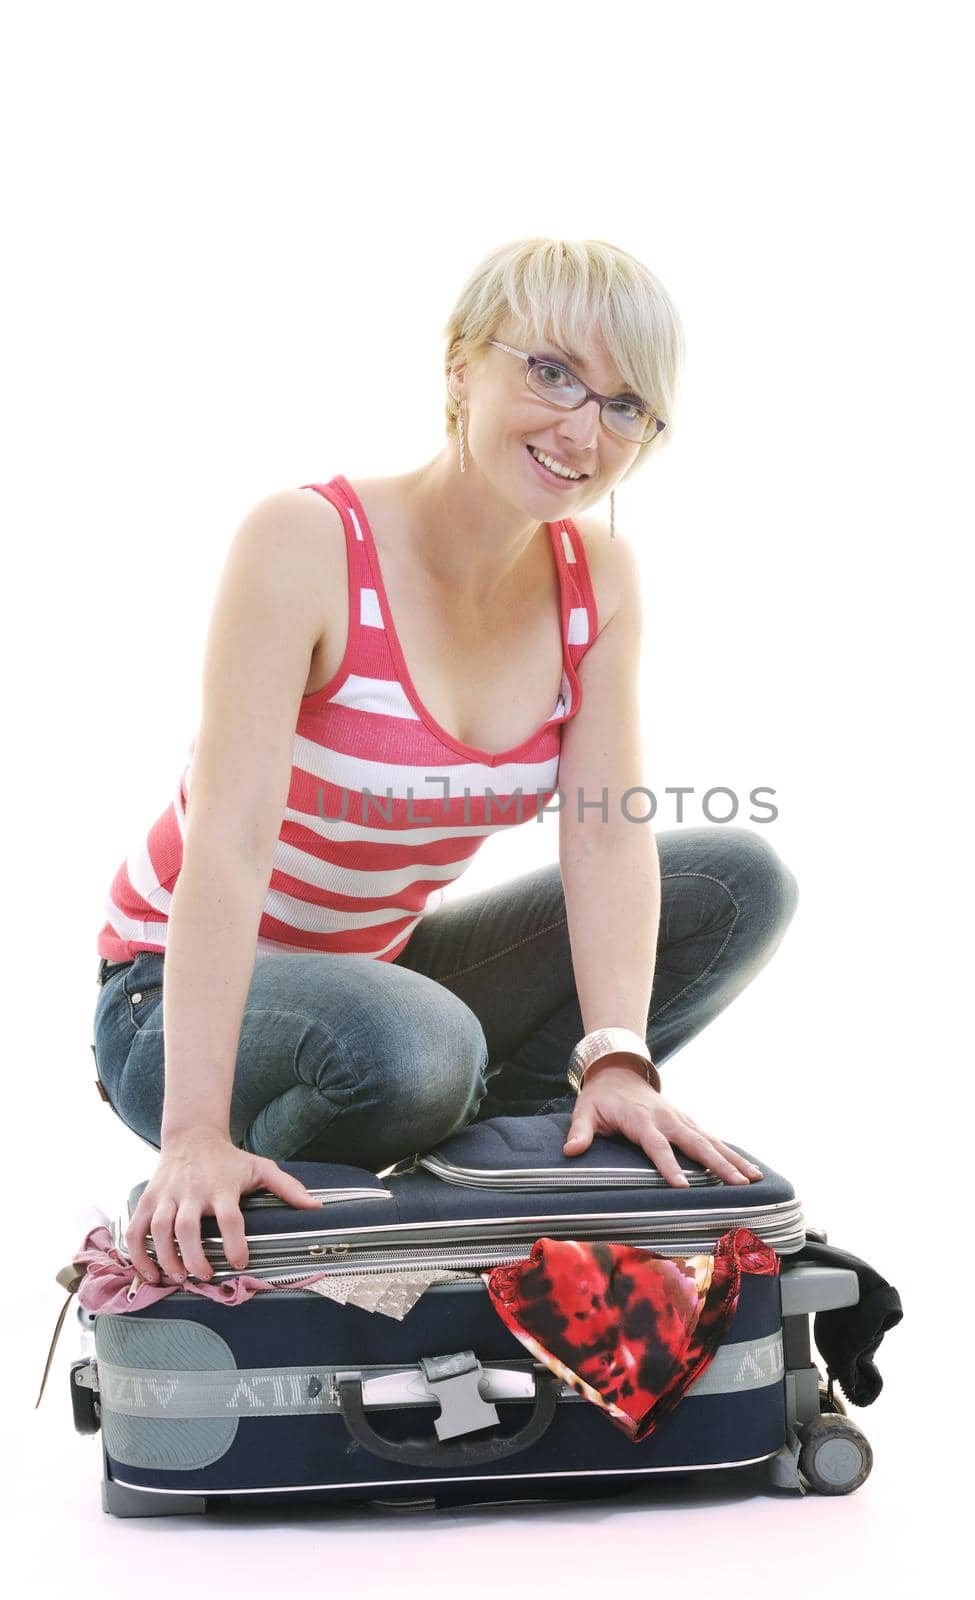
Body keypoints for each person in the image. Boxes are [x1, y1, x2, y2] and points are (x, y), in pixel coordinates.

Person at [91, 236, 800, 1289]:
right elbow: (230, 844)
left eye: (623, 405)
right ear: (461, 361)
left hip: (380, 980)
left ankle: (492, 1167)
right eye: (551, 371)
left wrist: (614, 1053)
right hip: (172, 1000)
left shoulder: (595, 579)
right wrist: (191, 1129)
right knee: (422, 1045)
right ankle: (326, 1171)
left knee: (736, 884)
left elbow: (606, 825)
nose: (580, 427)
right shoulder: (306, 542)